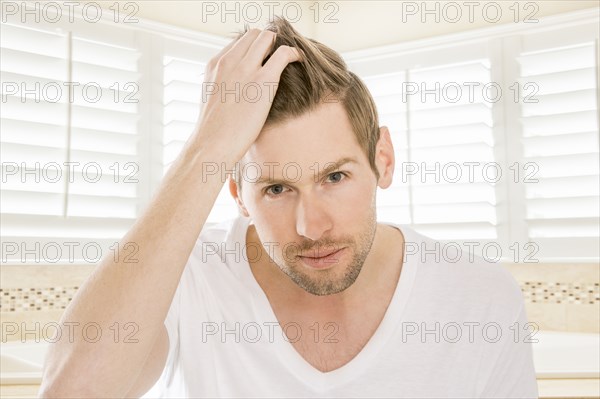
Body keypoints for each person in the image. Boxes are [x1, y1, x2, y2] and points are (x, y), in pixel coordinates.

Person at [39, 17, 538, 398]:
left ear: (382, 160)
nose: (311, 227)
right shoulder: (190, 280)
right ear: (237, 195)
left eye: (335, 177)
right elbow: (72, 389)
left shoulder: (480, 297)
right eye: (276, 189)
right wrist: (208, 148)